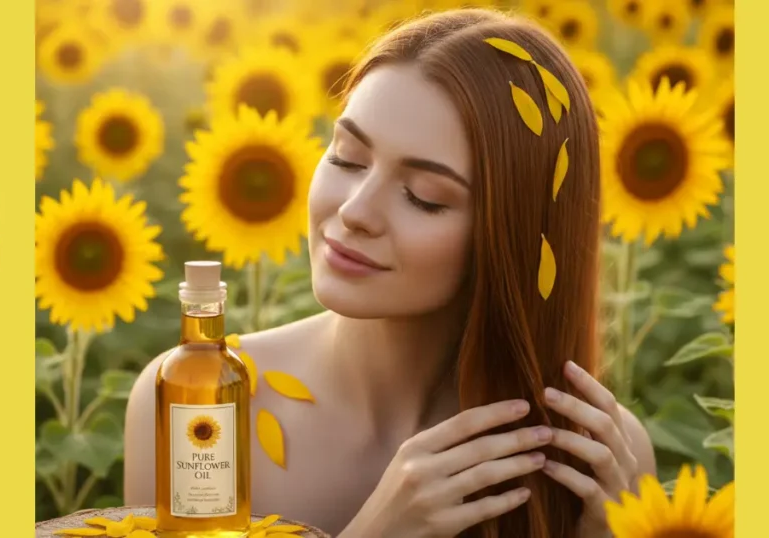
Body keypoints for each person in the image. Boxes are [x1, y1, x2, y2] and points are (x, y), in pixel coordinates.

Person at [124, 8, 656, 538]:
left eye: (423, 197)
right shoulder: (196, 405)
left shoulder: (597, 457)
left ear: (511, 237)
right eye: (347, 158)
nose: (355, 210)